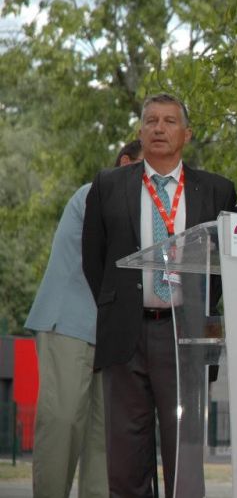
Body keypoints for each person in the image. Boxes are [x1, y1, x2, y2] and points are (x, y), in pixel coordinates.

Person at [82, 93, 237, 497]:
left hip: (186, 335)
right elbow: (94, 259)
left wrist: (195, 306)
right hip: (126, 336)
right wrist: (120, 306)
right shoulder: (108, 185)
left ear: (187, 134)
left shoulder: (218, 190)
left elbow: (223, 270)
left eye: (169, 121)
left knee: (184, 458)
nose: (159, 128)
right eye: (151, 120)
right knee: (125, 459)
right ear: (140, 131)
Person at [25, 140, 142, 498]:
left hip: (108, 337)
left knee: (104, 440)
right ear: (126, 163)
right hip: (69, 325)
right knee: (62, 425)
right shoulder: (95, 193)